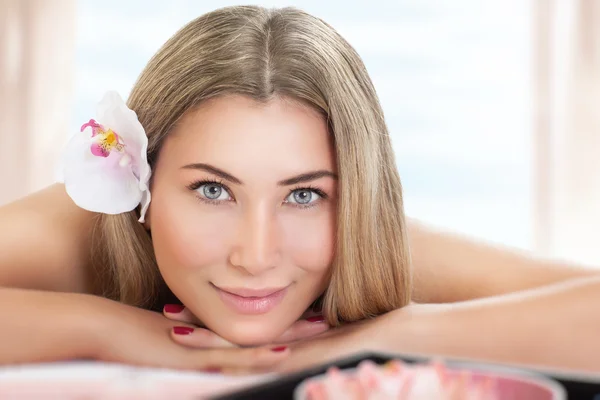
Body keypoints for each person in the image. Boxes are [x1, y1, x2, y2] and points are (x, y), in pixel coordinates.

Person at [0, 5, 598, 375]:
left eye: (304, 195)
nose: (256, 255)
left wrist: (397, 334)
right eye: (212, 190)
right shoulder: (80, 229)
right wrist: (106, 330)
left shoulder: (359, 244)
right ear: (144, 184)